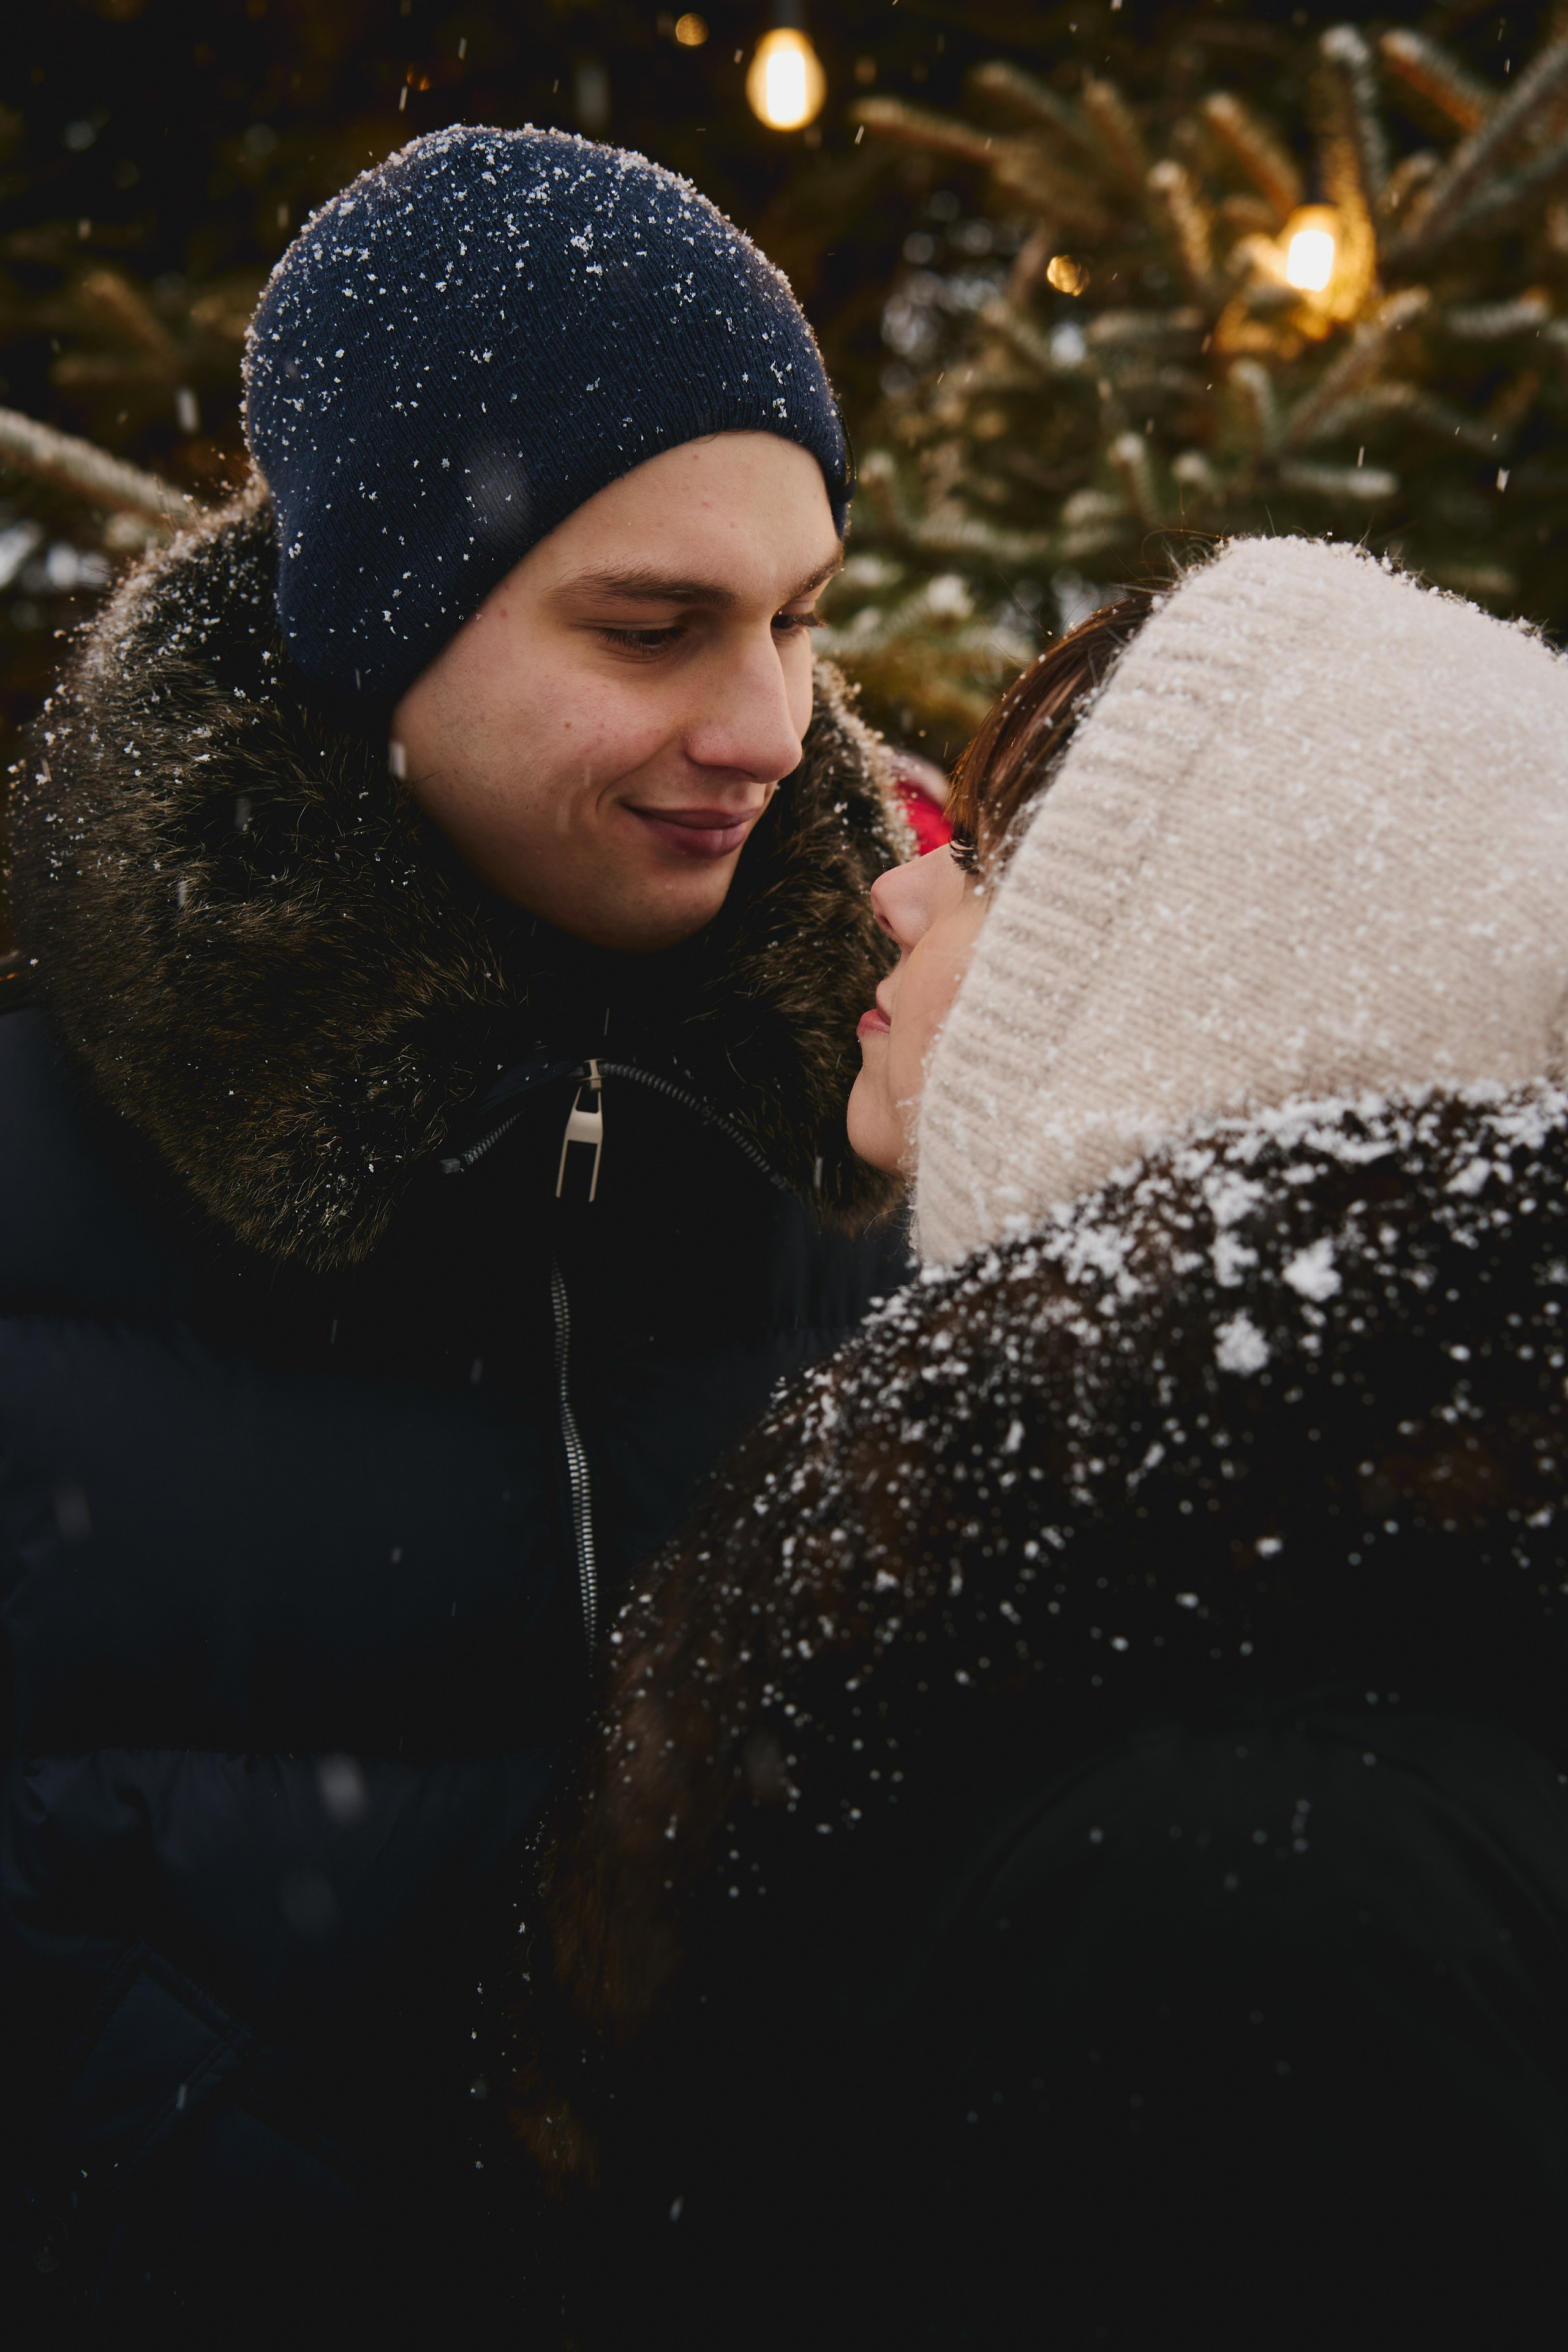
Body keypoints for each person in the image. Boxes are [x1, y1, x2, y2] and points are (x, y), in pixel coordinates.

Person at [0, 126, 914, 2346]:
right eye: (650, 625)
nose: (769, 728)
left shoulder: (866, 1147)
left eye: (797, 618)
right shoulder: (46, 1171)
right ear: (377, 618)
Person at [509, 537, 1568, 2349]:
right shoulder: (1250, 1636)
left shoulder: (1257, 1869)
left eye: (1006, 864)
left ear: (1207, 997)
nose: (904, 895)